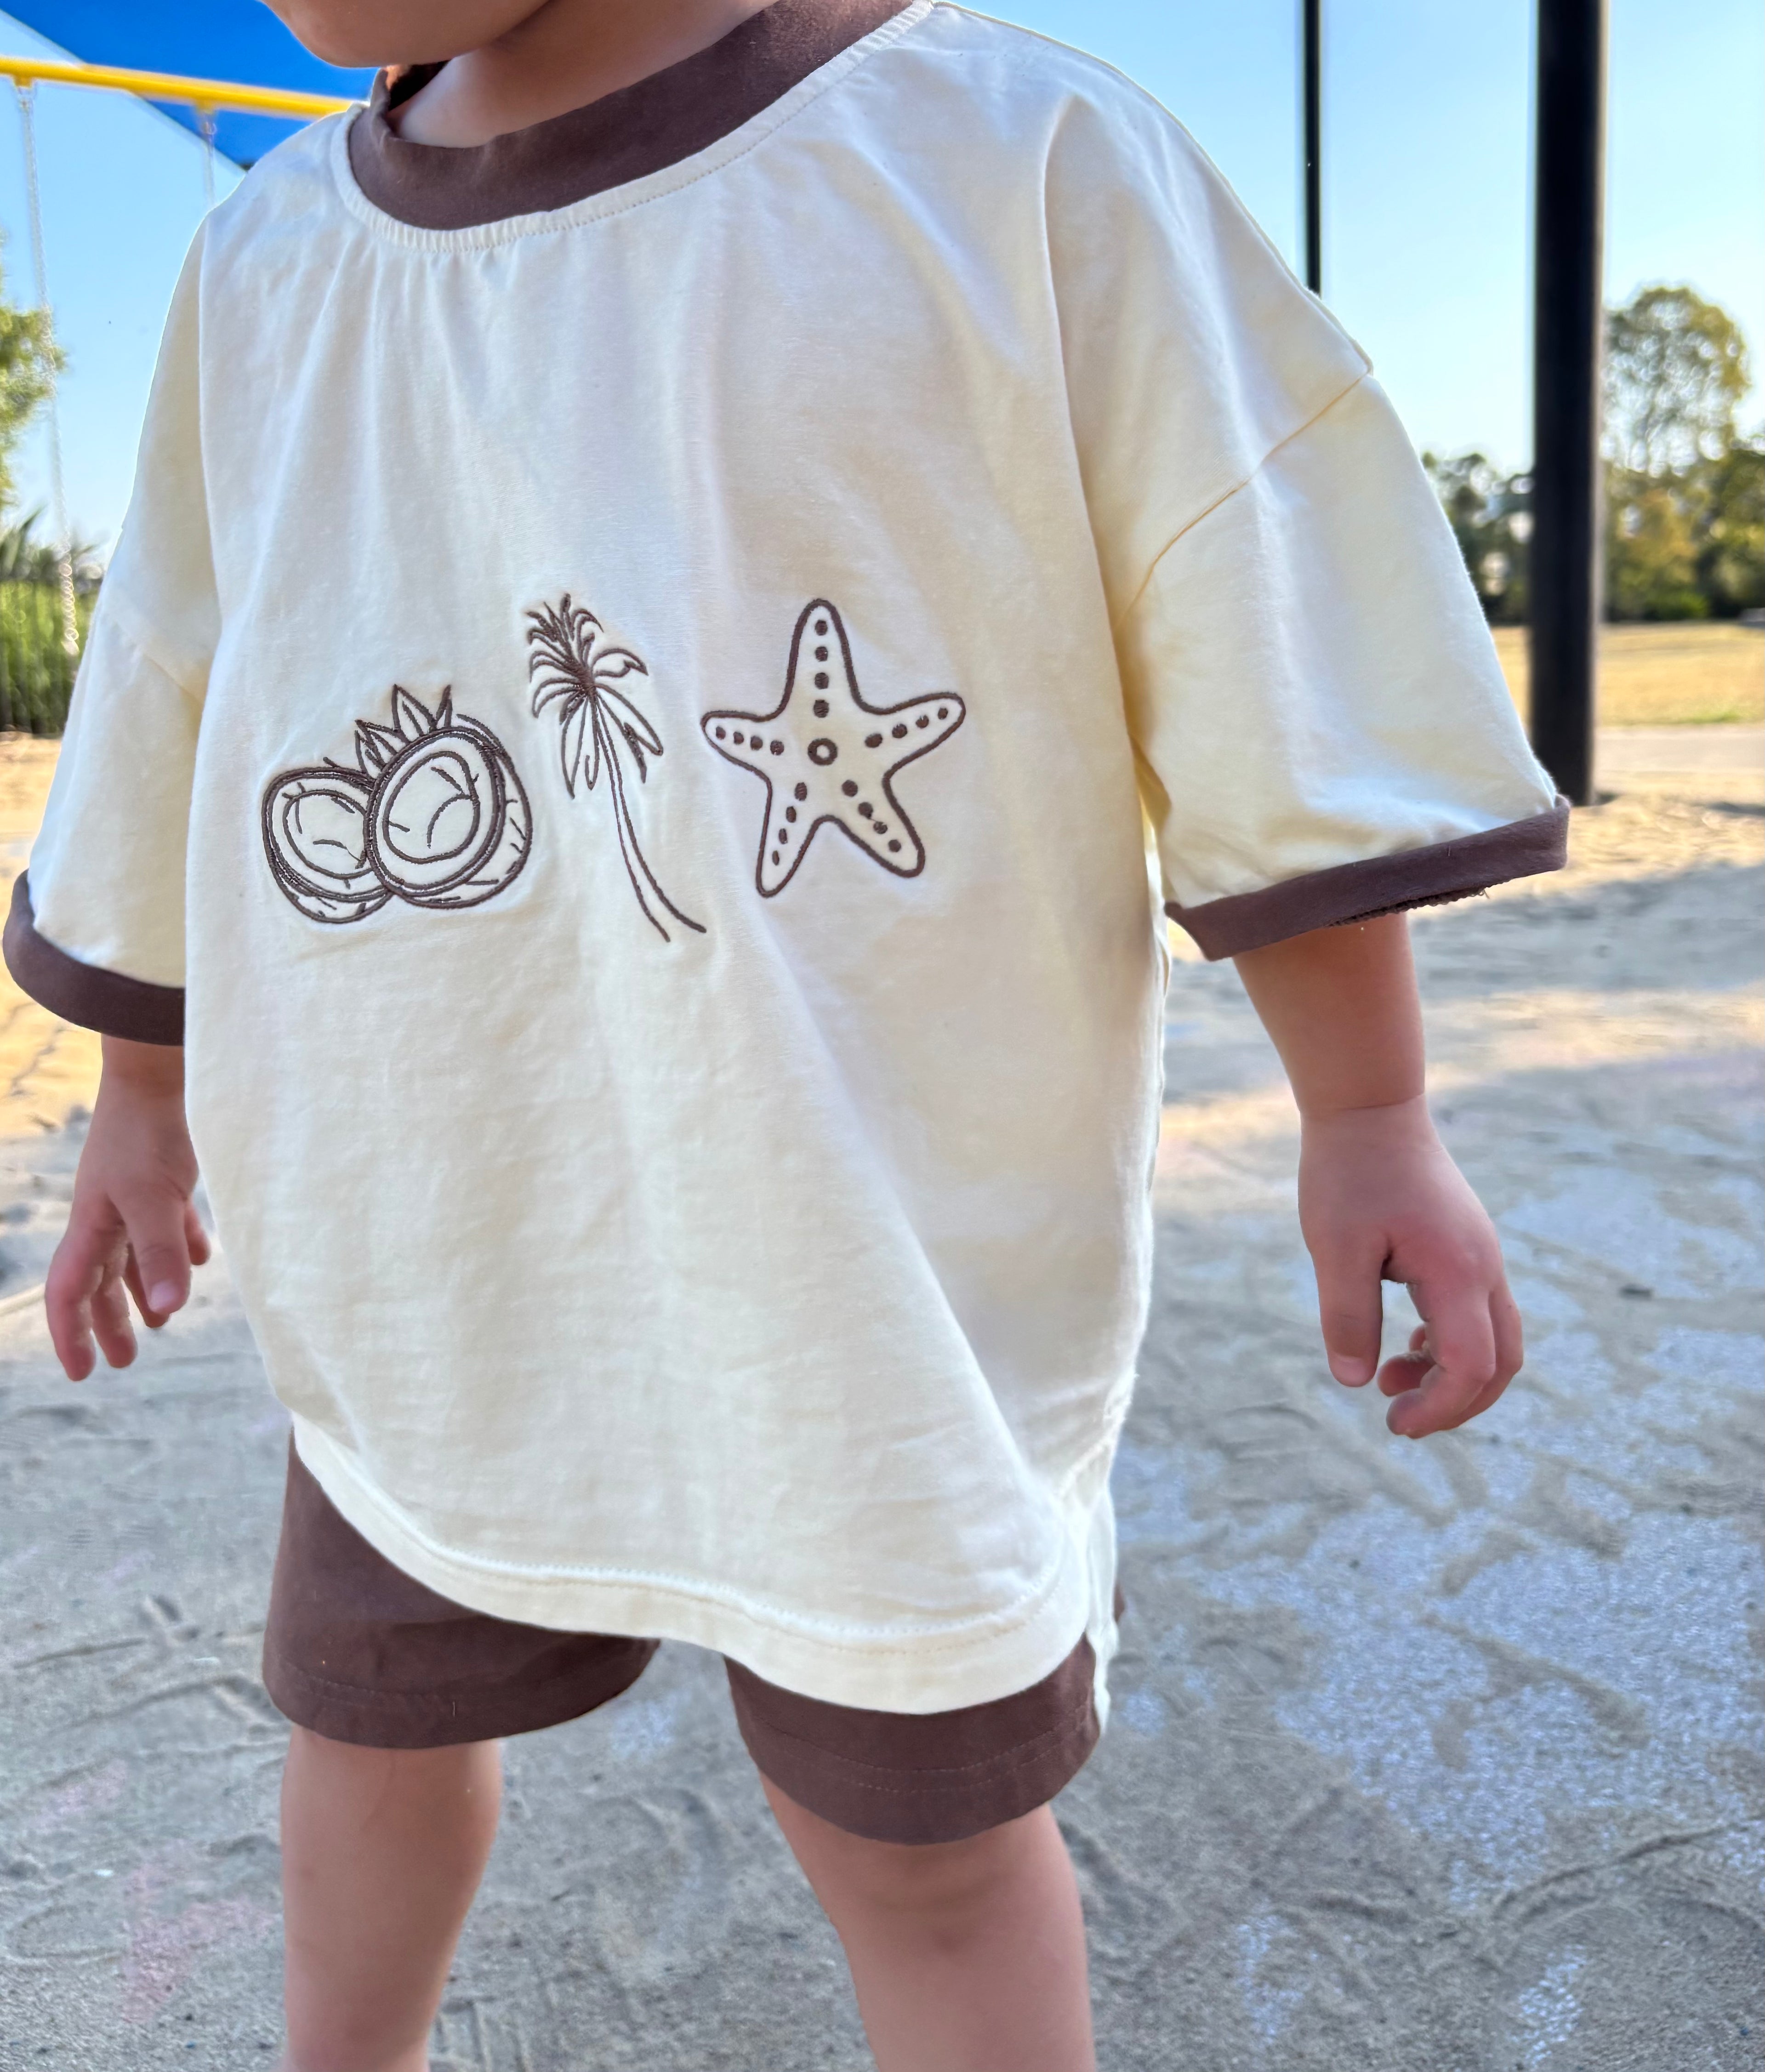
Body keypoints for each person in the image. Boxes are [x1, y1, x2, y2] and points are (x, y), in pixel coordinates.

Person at [4, 2, 1567, 2066]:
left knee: (921, 1848)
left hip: (863, 1269)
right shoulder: (269, 266)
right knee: (366, 1726)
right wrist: (143, 1089)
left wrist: (1372, 1106)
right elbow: (176, 695)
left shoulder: (1008, 158)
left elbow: (1253, 621)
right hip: (437, 1233)